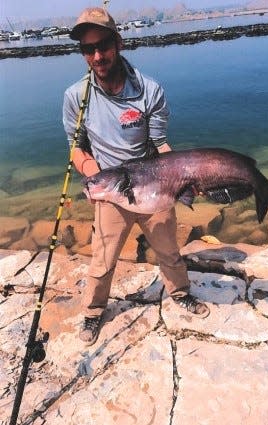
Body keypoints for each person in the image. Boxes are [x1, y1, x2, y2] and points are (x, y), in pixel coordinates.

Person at [63, 7, 210, 346]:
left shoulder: (148, 90)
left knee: (169, 250)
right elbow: (76, 149)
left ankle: (180, 292)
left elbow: (161, 145)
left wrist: (183, 178)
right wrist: (96, 179)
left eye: (103, 45)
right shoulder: (76, 98)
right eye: (88, 49)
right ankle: (93, 312)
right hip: (109, 191)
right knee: (102, 260)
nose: (97, 56)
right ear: (83, 53)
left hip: (153, 188)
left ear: (118, 42)